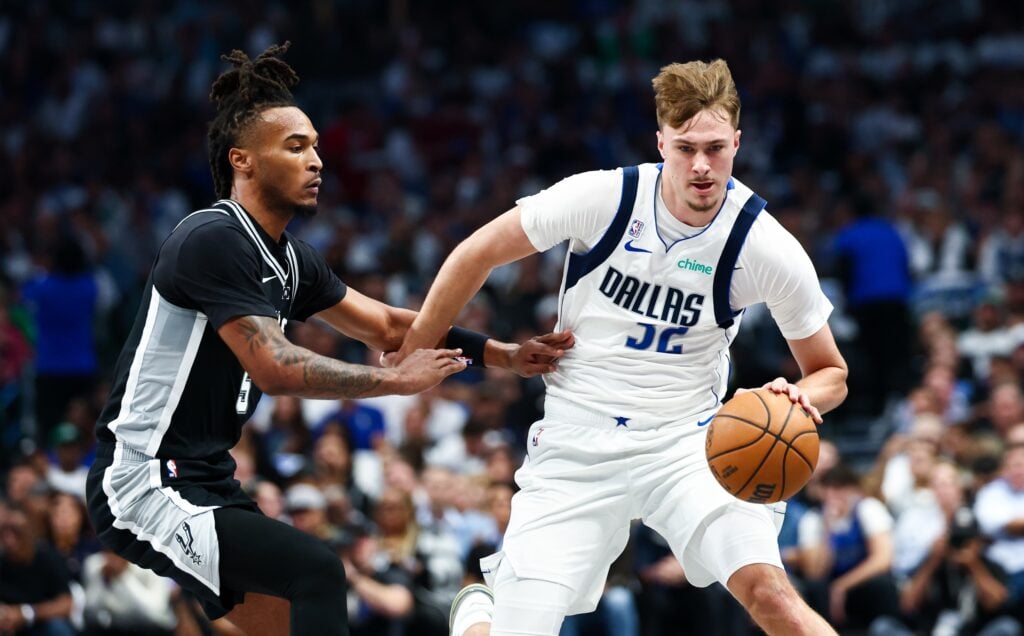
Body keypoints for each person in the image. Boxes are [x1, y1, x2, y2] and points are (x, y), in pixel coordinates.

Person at [84, 43, 571, 636]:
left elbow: (389, 327)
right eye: (296, 147)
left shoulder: (293, 259)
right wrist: (393, 381)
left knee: (297, 620)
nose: (316, 161)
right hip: (144, 478)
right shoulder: (211, 239)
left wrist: (502, 355)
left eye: (316, 146)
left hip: (208, 478)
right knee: (317, 572)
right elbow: (275, 366)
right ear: (243, 161)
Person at [397, 59, 848, 635]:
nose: (701, 165)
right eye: (685, 148)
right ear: (660, 143)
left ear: (737, 142)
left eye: (715, 148)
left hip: (691, 442)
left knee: (769, 593)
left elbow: (831, 372)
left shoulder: (764, 245)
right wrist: (415, 347)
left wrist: (797, 396)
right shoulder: (603, 196)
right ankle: (480, 615)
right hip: (577, 439)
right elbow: (475, 252)